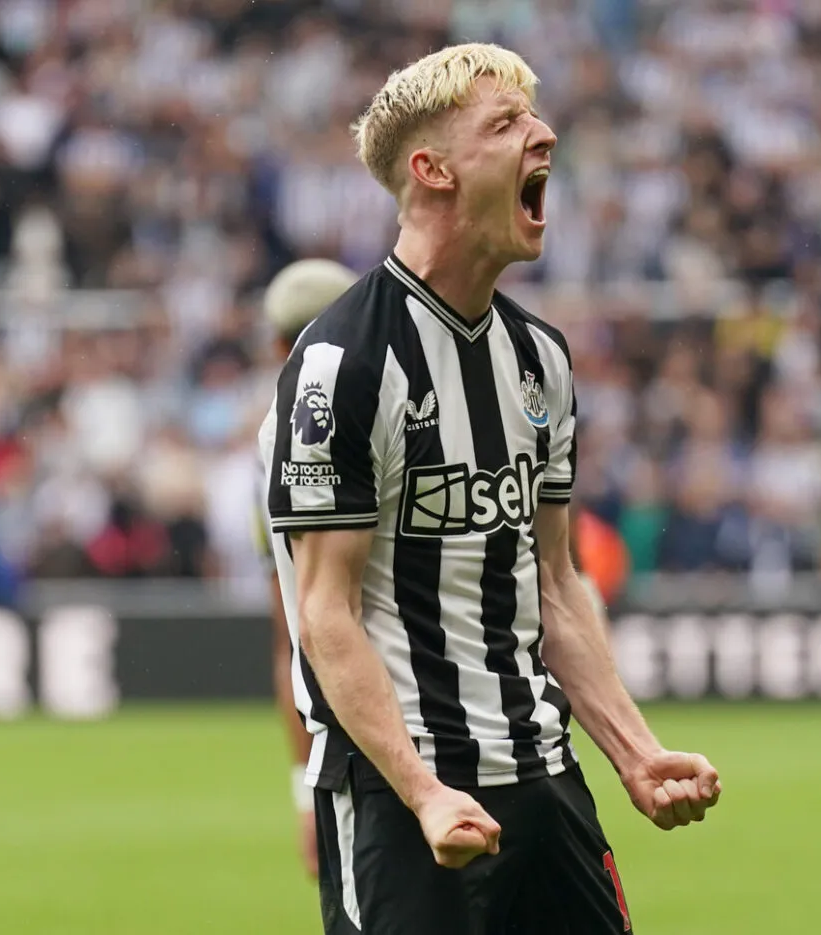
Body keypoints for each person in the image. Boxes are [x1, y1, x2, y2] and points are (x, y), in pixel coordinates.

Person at [258, 44, 721, 935]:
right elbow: (324, 616)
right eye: (506, 125)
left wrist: (633, 749)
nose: (543, 134)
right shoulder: (340, 363)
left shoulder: (540, 358)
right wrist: (427, 791)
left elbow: (555, 583)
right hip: (403, 800)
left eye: (533, 117)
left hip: (543, 777)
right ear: (432, 171)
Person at [254, 258, 361, 878]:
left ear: (274, 344)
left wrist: (307, 791)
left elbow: (291, 641)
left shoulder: (270, 450)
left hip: (360, 750)